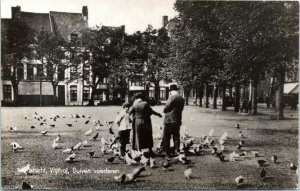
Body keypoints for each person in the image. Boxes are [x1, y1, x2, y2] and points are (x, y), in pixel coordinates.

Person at [162, 84, 185, 158]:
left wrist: (165, 110)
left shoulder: (171, 97)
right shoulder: (181, 98)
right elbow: (181, 109)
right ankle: (177, 150)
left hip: (169, 120)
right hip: (177, 119)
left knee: (167, 136)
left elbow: (166, 108)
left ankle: (167, 152)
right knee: (176, 136)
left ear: (171, 91)